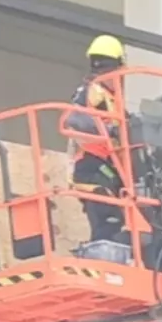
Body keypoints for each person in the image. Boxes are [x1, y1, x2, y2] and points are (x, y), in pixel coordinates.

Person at [66, 34, 132, 242]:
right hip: (93, 167)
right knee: (108, 224)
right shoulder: (93, 90)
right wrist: (109, 129)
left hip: (106, 168)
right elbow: (75, 119)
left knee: (118, 222)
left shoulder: (111, 98)